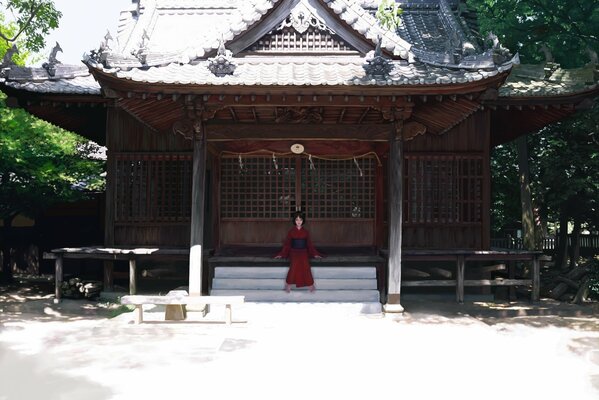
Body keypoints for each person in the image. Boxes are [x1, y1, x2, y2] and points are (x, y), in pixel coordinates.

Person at [274, 211, 323, 292]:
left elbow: (309, 244)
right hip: (294, 252)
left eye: (300, 219)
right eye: (297, 219)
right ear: (294, 221)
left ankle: (311, 285)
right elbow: (287, 244)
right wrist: (282, 254)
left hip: (303, 252)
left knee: (306, 267)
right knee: (293, 267)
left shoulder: (305, 232)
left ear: (303, 220)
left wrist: (315, 254)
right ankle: (288, 284)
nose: (299, 221)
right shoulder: (291, 232)